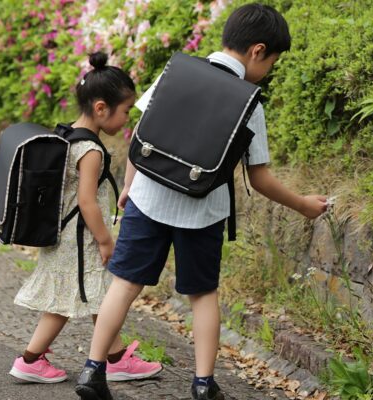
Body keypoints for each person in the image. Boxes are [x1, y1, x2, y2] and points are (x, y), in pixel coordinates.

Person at [75, 4, 328, 400]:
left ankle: (92, 371)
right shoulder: (250, 102)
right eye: (272, 61)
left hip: (148, 196)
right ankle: (203, 384)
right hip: (202, 209)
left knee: (124, 285)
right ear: (258, 51)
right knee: (203, 295)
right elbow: (258, 177)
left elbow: (141, 135)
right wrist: (303, 205)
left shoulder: (175, 72)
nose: (269, 70)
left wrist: (129, 185)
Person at [9, 52, 162, 385]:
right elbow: (87, 201)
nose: (126, 119)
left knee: (95, 294)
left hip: (64, 233)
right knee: (66, 301)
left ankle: (117, 358)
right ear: (101, 108)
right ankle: (30, 359)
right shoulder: (90, 150)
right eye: (124, 111)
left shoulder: (67, 135)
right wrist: (105, 239)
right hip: (79, 238)